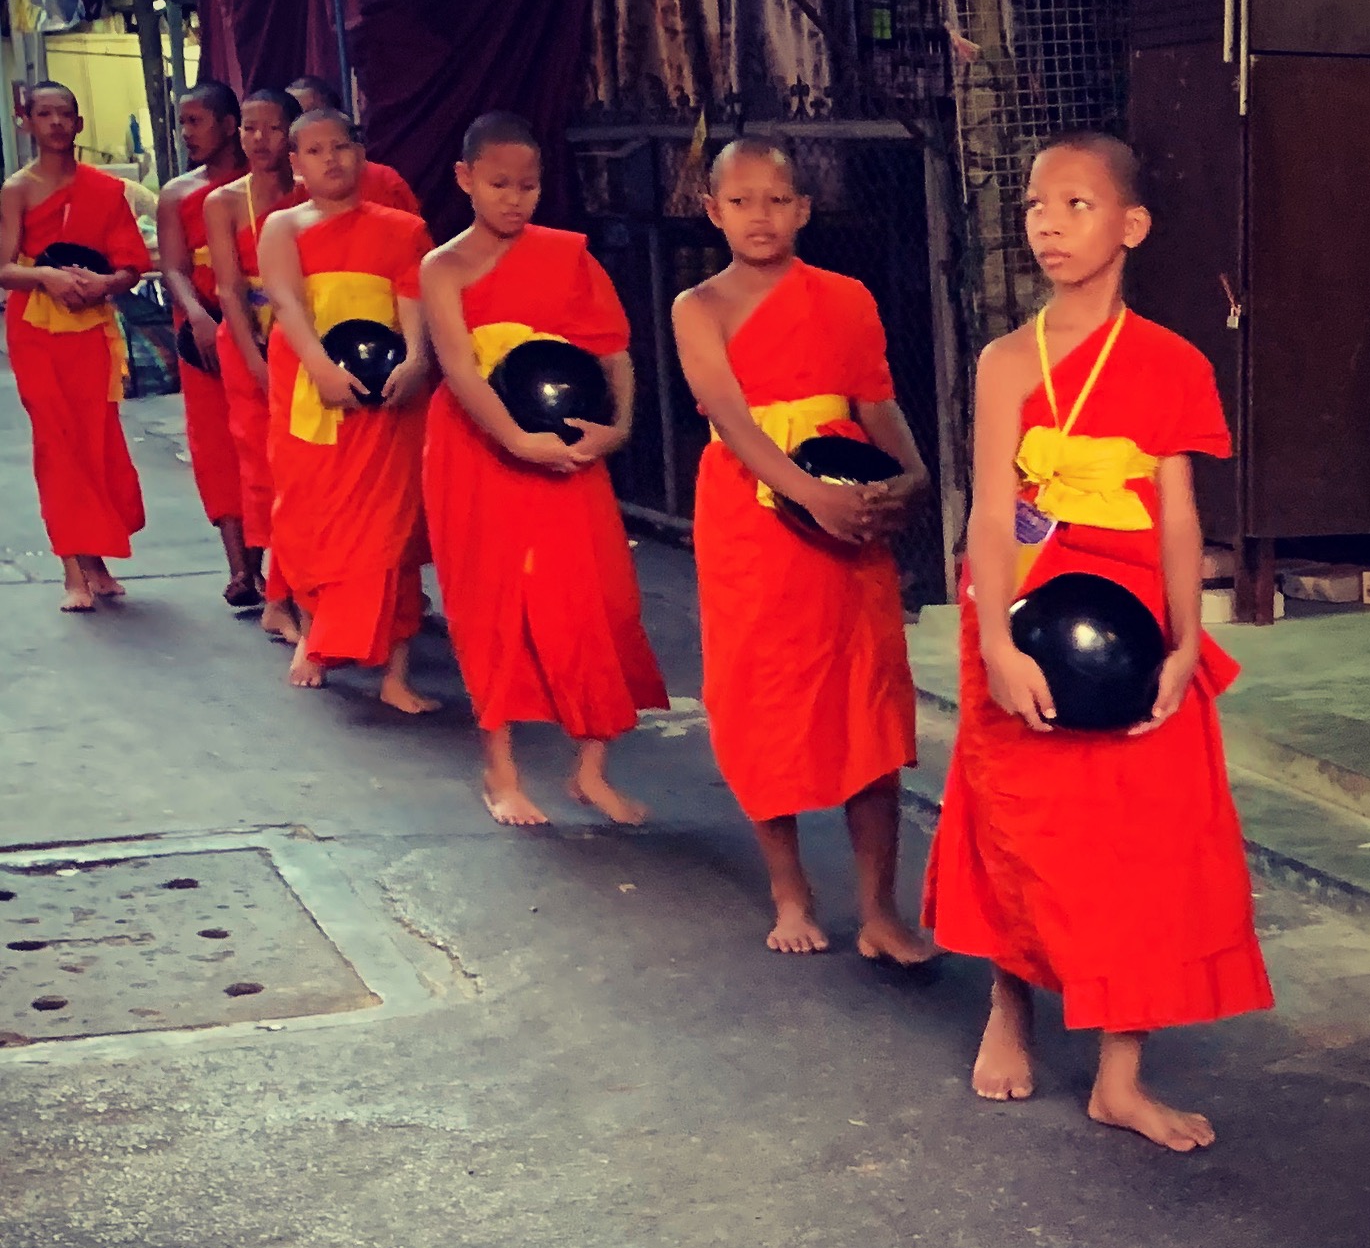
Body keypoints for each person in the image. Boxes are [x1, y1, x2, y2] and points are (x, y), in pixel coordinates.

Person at [927, 133, 1271, 1152]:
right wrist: (996, 641)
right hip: (1024, 604)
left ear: (1131, 226)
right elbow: (993, 511)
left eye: (1076, 204)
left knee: (1143, 845)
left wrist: (1184, 642)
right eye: (1037, 205)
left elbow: (1178, 516)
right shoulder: (1005, 362)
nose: (1049, 224)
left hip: (1132, 615)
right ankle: (1009, 1005)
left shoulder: (1171, 363)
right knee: (1019, 820)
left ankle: (1120, 1077)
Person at [670, 136, 933, 958]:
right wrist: (804, 493)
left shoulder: (844, 297)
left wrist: (912, 475)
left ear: (804, 210)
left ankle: (879, 911)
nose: (760, 216)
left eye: (777, 200)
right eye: (741, 200)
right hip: (752, 512)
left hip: (847, 503)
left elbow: (875, 401)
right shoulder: (698, 307)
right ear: (713, 211)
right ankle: (790, 894)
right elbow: (729, 416)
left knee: (865, 699)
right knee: (762, 696)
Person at [418, 112, 666, 825]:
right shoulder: (442, 267)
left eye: (527, 186)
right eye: (499, 184)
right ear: (465, 179)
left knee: (595, 598)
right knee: (493, 604)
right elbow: (459, 368)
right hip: (478, 450)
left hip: (567, 450)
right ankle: (500, 770)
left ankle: (590, 769)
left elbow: (613, 351)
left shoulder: (566, 256)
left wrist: (618, 428)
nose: (514, 199)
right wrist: (516, 441)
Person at [257, 108, 439, 706]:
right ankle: (315, 636)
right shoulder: (283, 226)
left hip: (388, 397)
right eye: (315, 151)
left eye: (340, 146)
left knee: (392, 528)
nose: (330, 159)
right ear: (296, 164)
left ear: (361, 153)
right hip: (311, 388)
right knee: (313, 519)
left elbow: (412, 303)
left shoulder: (402, 228)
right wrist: (320, 369)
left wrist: (416, 361)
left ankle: (395, 675)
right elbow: (287, 302)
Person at [0, 79, 150, 612]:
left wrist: (105, 284)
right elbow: (4, 269)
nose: (57, 123)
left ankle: (97, 562)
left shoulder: (105, 190)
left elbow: (131, 264)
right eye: (45, 114)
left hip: (90, 329)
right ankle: (72, 571)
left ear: (79, 123)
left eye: (65, 114)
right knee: (56, 443)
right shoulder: (17, 190)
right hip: (36, 331)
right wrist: (46, 276)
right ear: (27, 123)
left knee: (96, 441)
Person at [203, 89, 307, 647]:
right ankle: (278, 598)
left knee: (306, 466)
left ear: (293, 132)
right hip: (249, 343)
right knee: (263, 469)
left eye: (272, 127)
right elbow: (228, 290)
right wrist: (255, 362)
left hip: (308, 339)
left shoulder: (312, 194)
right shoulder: (223, 202)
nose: (259, 139)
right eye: (248, 128)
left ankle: (306, 588)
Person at [156, 79, 261, 610]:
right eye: (183, 123)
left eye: (196, 121)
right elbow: (173, 267)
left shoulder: (262, 184)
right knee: (216, 443)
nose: (186, 133)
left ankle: (279, 566)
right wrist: (198, 317)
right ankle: (241, 569)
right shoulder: (177, 193)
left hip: (260, 320)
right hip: (201, 326)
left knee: (260, 439)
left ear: (228, 125)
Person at [287, 79, 420, 216]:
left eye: (312, 114)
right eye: (293, 116)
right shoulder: (287, 197)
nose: (307, 123)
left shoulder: (382, 179)